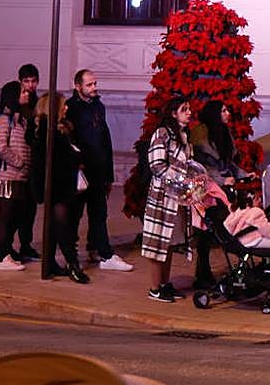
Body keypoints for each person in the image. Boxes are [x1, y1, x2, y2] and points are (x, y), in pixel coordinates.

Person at [67, 70, 133, 272]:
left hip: (98, 170)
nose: (94, 88)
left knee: (99, 213)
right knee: (74, 215)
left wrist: (108, 175)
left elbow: (105, 140)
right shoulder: (71, 108)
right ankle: (71, 253)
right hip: (79, 171)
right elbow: (69, 140)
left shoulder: (98, 106)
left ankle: (101, 251)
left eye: (95, 83)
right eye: (89, 85)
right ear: (78, 86)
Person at [141, 97, 198, 302]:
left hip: (178, 199)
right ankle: (155, 288)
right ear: (173, 113)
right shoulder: (163, 133)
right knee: (158, 242)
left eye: (189, 108)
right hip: (163, 197)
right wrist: (179, 179)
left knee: (169, 242)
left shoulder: (184, 136)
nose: (189, 112)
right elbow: (156, 165)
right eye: (185, 109)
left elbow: (187, 163)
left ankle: (165, 284)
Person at [30, 92, 90, 284]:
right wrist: (77, 156)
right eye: (63, 106)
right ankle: (72, 264)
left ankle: (50, 263)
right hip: (56, 186)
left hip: (57, 183)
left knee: (54, 227)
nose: (66, 108)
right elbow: (64, 158)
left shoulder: (55, 128)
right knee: (63, 226)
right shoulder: (49, 130)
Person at [191, 100, 245, 288]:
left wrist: (243, 175)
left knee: (225, 226)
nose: (227, 113)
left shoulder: (223, 132)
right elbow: (201, 167)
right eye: (223, 110)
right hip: (208, 189)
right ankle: (203, 274)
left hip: (223, 187)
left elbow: (227, 163)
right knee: (208, 230)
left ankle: (229, 268)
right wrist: (222, 180)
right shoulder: (201, 134)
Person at [0, 81, 34, 271]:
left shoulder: (20, 119)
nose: (27, 94)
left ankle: (3, 252)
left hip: (19, 177)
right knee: (6, 217)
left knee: (15, 217)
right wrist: (19, 162)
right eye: (23, 92)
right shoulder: (4, 120)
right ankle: (1, 256)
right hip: (7, 177)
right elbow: (1, 146)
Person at [14, 64, 41, 262]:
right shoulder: (16, 102)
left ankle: (26, 245)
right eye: (27, 81)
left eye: (33, 81)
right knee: (16, 207)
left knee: (30, 207)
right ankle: (7, 246)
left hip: (34, 160)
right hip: (18, 161)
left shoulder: (38, 102)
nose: (30, 85)